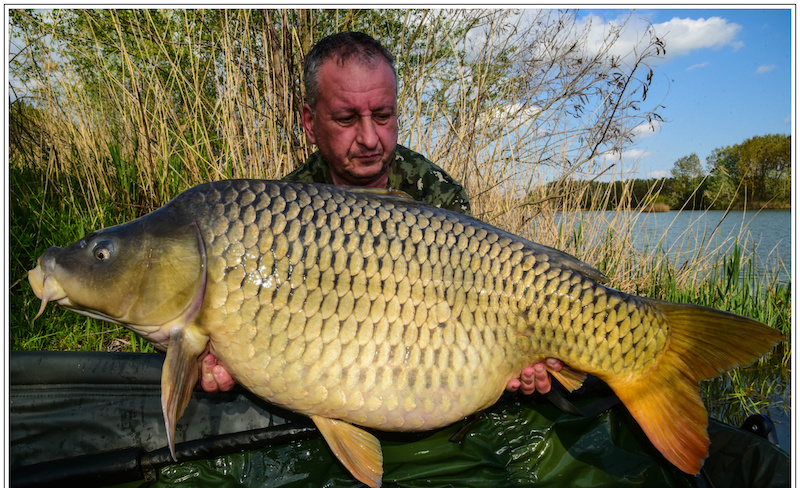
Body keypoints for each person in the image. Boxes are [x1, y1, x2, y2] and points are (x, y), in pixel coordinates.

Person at [199, 32, 563, 397]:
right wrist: (228, 352)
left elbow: (478, 311)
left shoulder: (437, 194)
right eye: (346, 119)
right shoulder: (279, 213)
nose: (370, 138)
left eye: (383, 116)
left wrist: (521, 350)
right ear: (310, 123)